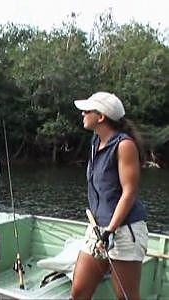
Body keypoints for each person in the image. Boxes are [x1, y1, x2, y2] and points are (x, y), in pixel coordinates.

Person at [71, 92, 148, 300]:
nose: (83, 114)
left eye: (87, 110)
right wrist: (102, 231)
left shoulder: (124, 146)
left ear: (101, 117)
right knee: (78, 292)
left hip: (124, 230)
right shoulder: (96, 141)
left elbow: (129, 192)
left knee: (126, 296)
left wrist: (110, 231)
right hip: (97, 228)